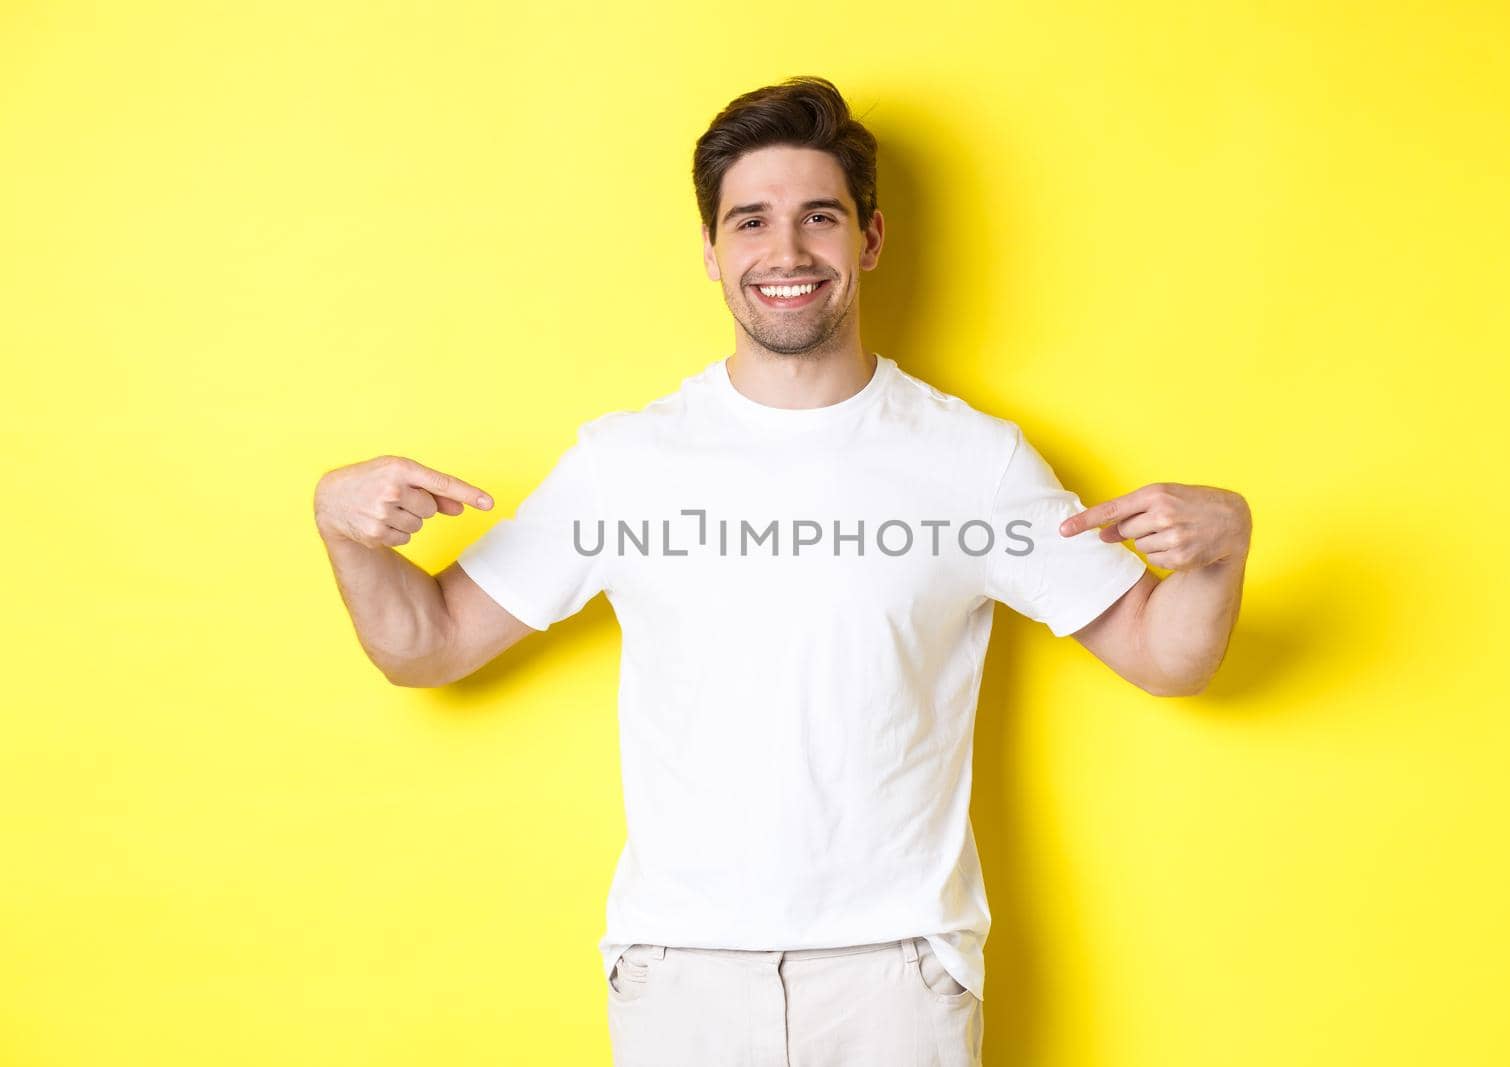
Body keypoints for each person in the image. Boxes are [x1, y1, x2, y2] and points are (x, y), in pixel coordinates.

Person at [312, 75, 1252, 1067]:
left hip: (897, 974)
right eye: (750, 222)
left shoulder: (973, 460)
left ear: (870, 239)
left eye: (819, 217)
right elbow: (428, 645)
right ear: (712, 254)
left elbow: (1165, 656)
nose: (787, 252)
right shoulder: (625, 463)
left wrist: (1223, 545)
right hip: (681, 972)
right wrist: (342, 526)